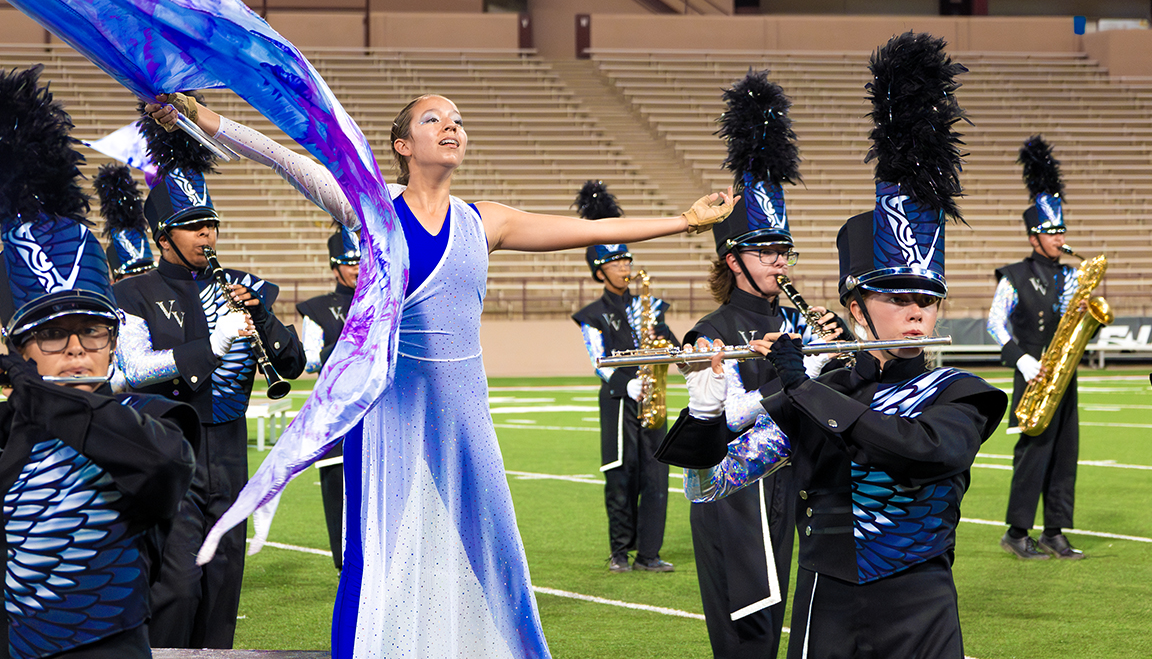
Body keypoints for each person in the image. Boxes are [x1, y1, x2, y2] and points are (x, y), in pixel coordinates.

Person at [144, 91, 734, 659]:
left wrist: (683, 221)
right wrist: (200, 116)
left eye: (457, 120)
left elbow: (585, 231)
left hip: (464, 407)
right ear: (402, 144)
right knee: (376, 549)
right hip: (390, 407)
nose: (451, 126)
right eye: (433, 120)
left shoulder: (485, 221)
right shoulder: (371, 207)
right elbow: (282, 156)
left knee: (492, 543)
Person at [662, 33, 1007, 659]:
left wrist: (800, 386)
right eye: (897, 301)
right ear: (856, 309)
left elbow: (921, 451)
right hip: (826, 609)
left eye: (926, 303)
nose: (914, 317)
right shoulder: (832, 388)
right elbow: (710, 487)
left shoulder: (961, 392)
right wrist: (711, 410)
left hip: (922, 610)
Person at [0, 64, 197, 659]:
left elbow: (163, 470)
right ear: (21, 347)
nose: (78, 352)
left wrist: (39, 392)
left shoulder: (153, 419)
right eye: (55, 338)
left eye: (93, 334)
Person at [112, 101, 307, 649]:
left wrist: (262, 318)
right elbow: (129, 373)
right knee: (177, 584)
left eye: (210, 224)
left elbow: (292, 365)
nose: (206, 236)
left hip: (229, 447)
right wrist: (207, 348)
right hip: (169, 446)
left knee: (224, 579)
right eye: (191, 226)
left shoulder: (247, 284)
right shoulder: (133, 293)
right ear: (162, 235)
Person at [672, 70, 843, 659]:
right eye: (766, 250)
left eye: (784, 250)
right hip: (740, 496)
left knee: (807, 629)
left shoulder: (799, 319)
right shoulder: (709, 331)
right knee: (749, 636)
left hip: (801, 489)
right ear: (732, 257)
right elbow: (716, 427)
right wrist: (806, 377)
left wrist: (837, 354)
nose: (779, 261)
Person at [571, 180, 676, 574]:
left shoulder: (652, 306)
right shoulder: (592, 314)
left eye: (627, 261)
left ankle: (649, 553)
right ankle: (620, 551)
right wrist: (625, 383)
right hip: (618, 400)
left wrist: (678, 354)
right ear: (600, 270)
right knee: (620, 475)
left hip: (652, 398)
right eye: (616, 262)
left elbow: (668, 342)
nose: (625, 267)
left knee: (656, 476)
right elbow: (598, 359)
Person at [988, 136, 1085, 560]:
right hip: (1034, 372)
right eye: (1051, 232)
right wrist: (1024, 360)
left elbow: (1080, 328)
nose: (1060, 238)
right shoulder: (1014, 276)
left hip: (1066, 373)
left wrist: (1083, 316)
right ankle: (1017, 531)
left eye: (1062, 229)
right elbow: (995, 323)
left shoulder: (1072, 276)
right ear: (1033, 238)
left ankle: (1055, 531)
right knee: (1033, 455)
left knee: (1066, 453)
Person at [297, 226, 361, 570]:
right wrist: (344, 346)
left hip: (380, 410)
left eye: (360, 260)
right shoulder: (317, 309)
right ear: (335, 266)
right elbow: (307, 361)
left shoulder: (383, 300)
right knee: (337, 490)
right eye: (349, 262)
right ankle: (343, 565)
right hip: (335, 413)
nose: (356, 268)